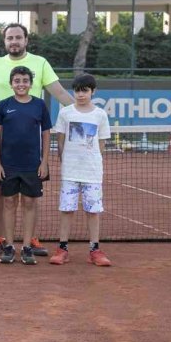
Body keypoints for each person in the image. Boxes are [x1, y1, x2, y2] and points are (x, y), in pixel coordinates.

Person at [0, 23, 74, 257]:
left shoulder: (41, 63)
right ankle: (1, 238)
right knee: (0, 192)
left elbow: (59, 93)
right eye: (10, 38)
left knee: (31, 196)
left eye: (18, 37)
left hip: (30, 142)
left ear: (26, 40)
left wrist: (83, 110)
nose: (14, 41)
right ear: (5, 41)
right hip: (1, 140)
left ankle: (32, 239)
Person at [50, 73, 112, 267]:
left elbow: (101, 144)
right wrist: (66, 160)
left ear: (93, 91)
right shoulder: (65, 113)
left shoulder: (100, 115)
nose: (81, 94)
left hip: (92, 173)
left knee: (93, 211)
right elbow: (60, 140)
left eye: (85, 90)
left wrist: (92, 160)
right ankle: (63, 249)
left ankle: (95, 250)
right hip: (70, 172)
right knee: (67, 210)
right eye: (77, 90)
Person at [0, 66, 52, 265]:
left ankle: (27, 247)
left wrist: (44, 162)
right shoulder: (3, 105)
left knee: (29, 204)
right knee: (8, 204)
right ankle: (9, 246)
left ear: (31, 83)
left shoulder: (40, 105)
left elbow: (46, 134)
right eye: (17, 81)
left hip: (32, 166)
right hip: (8, 165)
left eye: (25, 80)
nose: (21, 84)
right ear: (11, 84)